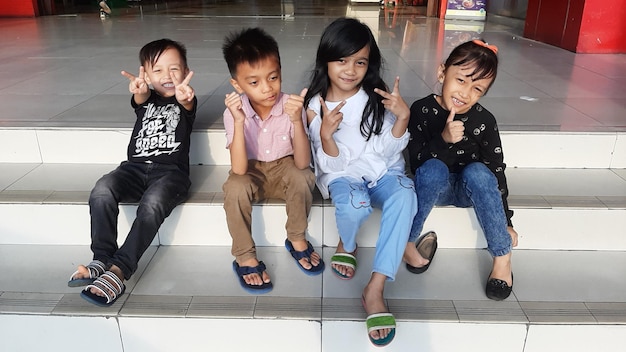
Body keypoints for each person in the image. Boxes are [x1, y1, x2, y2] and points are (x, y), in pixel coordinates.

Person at [304, 17, 416, 347]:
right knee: (355, 205)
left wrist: (402, 118)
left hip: (383, 172)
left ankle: (376, 287)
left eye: (360, 61)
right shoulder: (316, 106)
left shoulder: (377, 99)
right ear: (326, 59)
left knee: (406, 194)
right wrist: (325, 134)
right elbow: (330, 164)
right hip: (343, 175)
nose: (351, 69)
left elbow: (385, 150)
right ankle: (347, 243)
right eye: (342, 60)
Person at [67, 38, 197, 307]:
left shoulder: (185, 102)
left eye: (175, 69)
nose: (167, 76)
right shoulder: (145, 99)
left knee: (152, 205)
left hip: (170, 173)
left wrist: (187, 98)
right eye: (157, 70)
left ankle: (119, 270)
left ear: (185, 72)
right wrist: (139, 90)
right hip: (134, 169)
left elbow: (187, 104)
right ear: (146, 75)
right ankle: (101, 259)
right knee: (102, 189)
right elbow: (140, 97)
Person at [404, 39, 519, 301]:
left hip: (471, 189)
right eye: (461, 80)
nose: (465, 93)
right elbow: (417, 163)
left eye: (477, 88)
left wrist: (506, 221)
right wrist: (443, 139)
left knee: (479, 171)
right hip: (437, 187)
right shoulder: (422, 110)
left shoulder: (484, 120)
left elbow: (496, 170)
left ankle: (502, 257)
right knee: (432, 168)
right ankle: (408, 242)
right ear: (442, 73)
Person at [221, 27, 324, 295]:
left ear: (280, 71)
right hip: (251, 170)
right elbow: (239, 169)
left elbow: (302, 163)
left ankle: (297, 237)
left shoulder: (291, 104)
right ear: (237, 84)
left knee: (304, 177)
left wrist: (295, 121)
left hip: (284, 167)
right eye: (254, 82)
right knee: (234, 187)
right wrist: (240, 121)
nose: (267, 88)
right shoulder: (234, 112)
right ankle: (244, 254)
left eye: (273, 77)